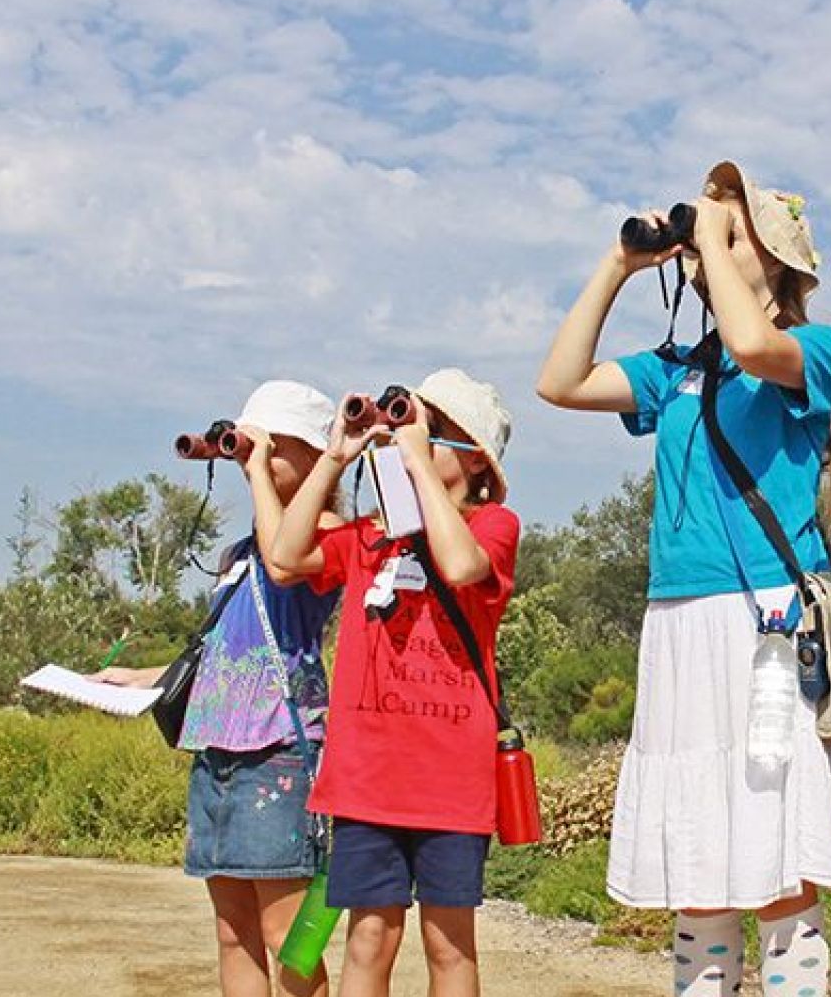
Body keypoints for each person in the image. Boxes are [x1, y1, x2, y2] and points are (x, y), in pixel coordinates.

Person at [535, 160, 831, 997]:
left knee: (779, 854)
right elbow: (559, 382)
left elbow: (754, 342)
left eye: (739, 233)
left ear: (782, 262)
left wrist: (708, 232)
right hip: (678, 621)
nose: (711, 243)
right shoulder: (678, 366)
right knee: (702, 858)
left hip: (767, 627)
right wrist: (621, 262)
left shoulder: (814, 351)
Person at [272, 369, 519, 997]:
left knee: (447, 945)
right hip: (366, 779)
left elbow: (461, 565)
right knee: (368, 939)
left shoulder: (494, 526)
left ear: (478, 464)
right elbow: (284, 556)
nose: (415, 440)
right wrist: (336, 456)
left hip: (449, 779)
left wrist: (411, 453)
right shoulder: (369, 539)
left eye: (435, 433)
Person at [91, 380, 340, 997]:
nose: (258, 457)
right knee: (234, 935)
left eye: (275, 447)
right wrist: (144, 677)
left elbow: (287, 561)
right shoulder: (238, 552)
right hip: (218, 754)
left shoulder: (327, 534)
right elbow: (229, 651)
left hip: (279, 754)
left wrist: (254, 469)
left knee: (292, 941)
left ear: (316, 457)